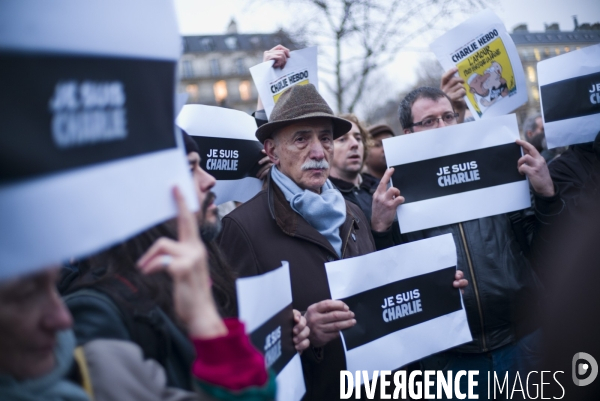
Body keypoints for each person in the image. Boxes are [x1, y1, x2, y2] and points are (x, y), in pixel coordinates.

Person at [217, 82, 468, 400]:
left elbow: (377, 299)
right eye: (301, 139)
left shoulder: (352, 213)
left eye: (324, 137)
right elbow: (232, 347)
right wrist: (303, 334)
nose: (318, 152)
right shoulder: (241, 229)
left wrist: (432, 288)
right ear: (271, 151)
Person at [61, 133, 310, 391]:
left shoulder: (207, 267)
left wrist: (277, 332)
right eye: (190, 169)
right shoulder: (97, 315)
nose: (210, 179)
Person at [0, 189, 277, 401]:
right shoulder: (95, 318)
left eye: (52, 284)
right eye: (25, 295)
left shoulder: (103, 366)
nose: (62, 318)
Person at [392, 86, 565, 398]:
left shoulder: (498, 170)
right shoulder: (397, 198)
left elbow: (547, 251)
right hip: (452, 359)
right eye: (429, 121)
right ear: (408, 133)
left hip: (523, 341)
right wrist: (381, 228)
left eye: (448, 116)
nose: (442, 127)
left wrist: (546, 195)